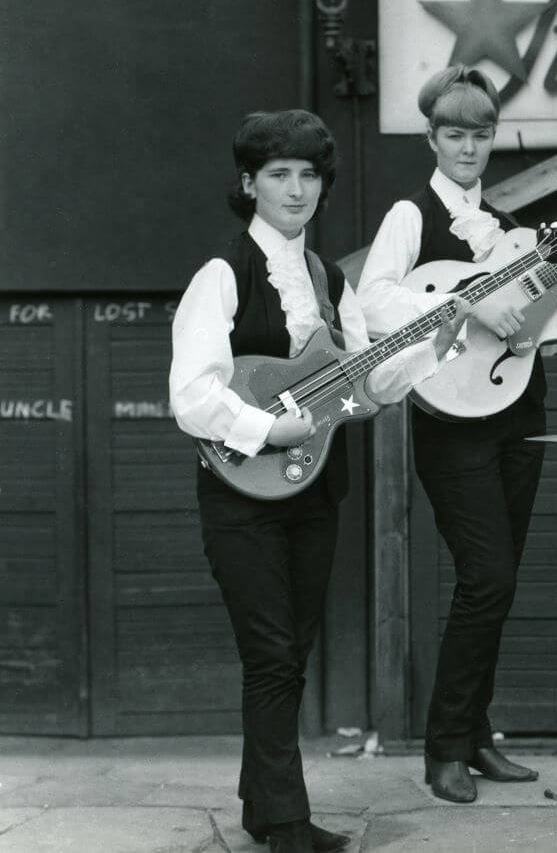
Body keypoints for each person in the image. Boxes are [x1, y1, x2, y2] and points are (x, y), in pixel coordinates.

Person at [170, 110, 462, 853]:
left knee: (287, 655)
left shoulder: (330, 279)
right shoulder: (222, 276)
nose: (296, 189)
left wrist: (434, 344)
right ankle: (288, 826)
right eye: (279, 175)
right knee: (271, 656)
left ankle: (262, 808)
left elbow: (366, 385)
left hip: (314, 492)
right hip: (242, 494)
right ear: (249, 185)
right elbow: (193, 396)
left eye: (309, 175)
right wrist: (269, 430)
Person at [356, 65, 557, 804]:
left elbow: (538, 336)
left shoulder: (509, 230)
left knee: (495, 586)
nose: (468, 148)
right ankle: (445, 746)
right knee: (487, 576)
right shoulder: (411, 216)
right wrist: (468, 307)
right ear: (431, 138)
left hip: (516, 413)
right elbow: (373, 300)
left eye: (480, 135)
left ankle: (474, 737)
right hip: (451, 425)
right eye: (454, 134)